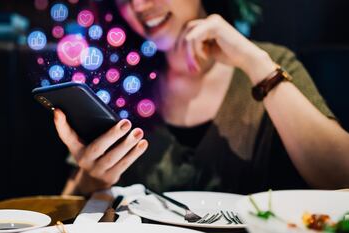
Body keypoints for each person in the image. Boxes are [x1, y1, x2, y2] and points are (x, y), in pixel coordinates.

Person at [54, 0, 349, 196]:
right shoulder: (121, 84)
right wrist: (92, 179)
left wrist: (255, 64)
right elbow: (66, 205)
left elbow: (340, 177)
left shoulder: (270, 64)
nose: (139, 5)